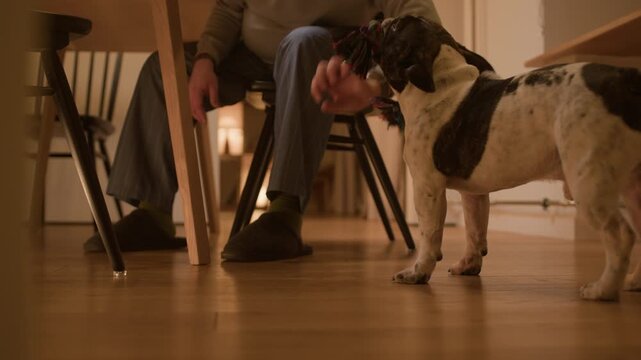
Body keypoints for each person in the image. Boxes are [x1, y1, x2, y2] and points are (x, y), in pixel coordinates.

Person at [84, 0, 441, 261]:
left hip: (329, 57)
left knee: (302, 42)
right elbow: (228, 8)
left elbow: (421, 22)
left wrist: (377, 80)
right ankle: (153, 213)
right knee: (165, 67)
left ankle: (284, 214)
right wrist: (207, 58)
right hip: (251, 54)